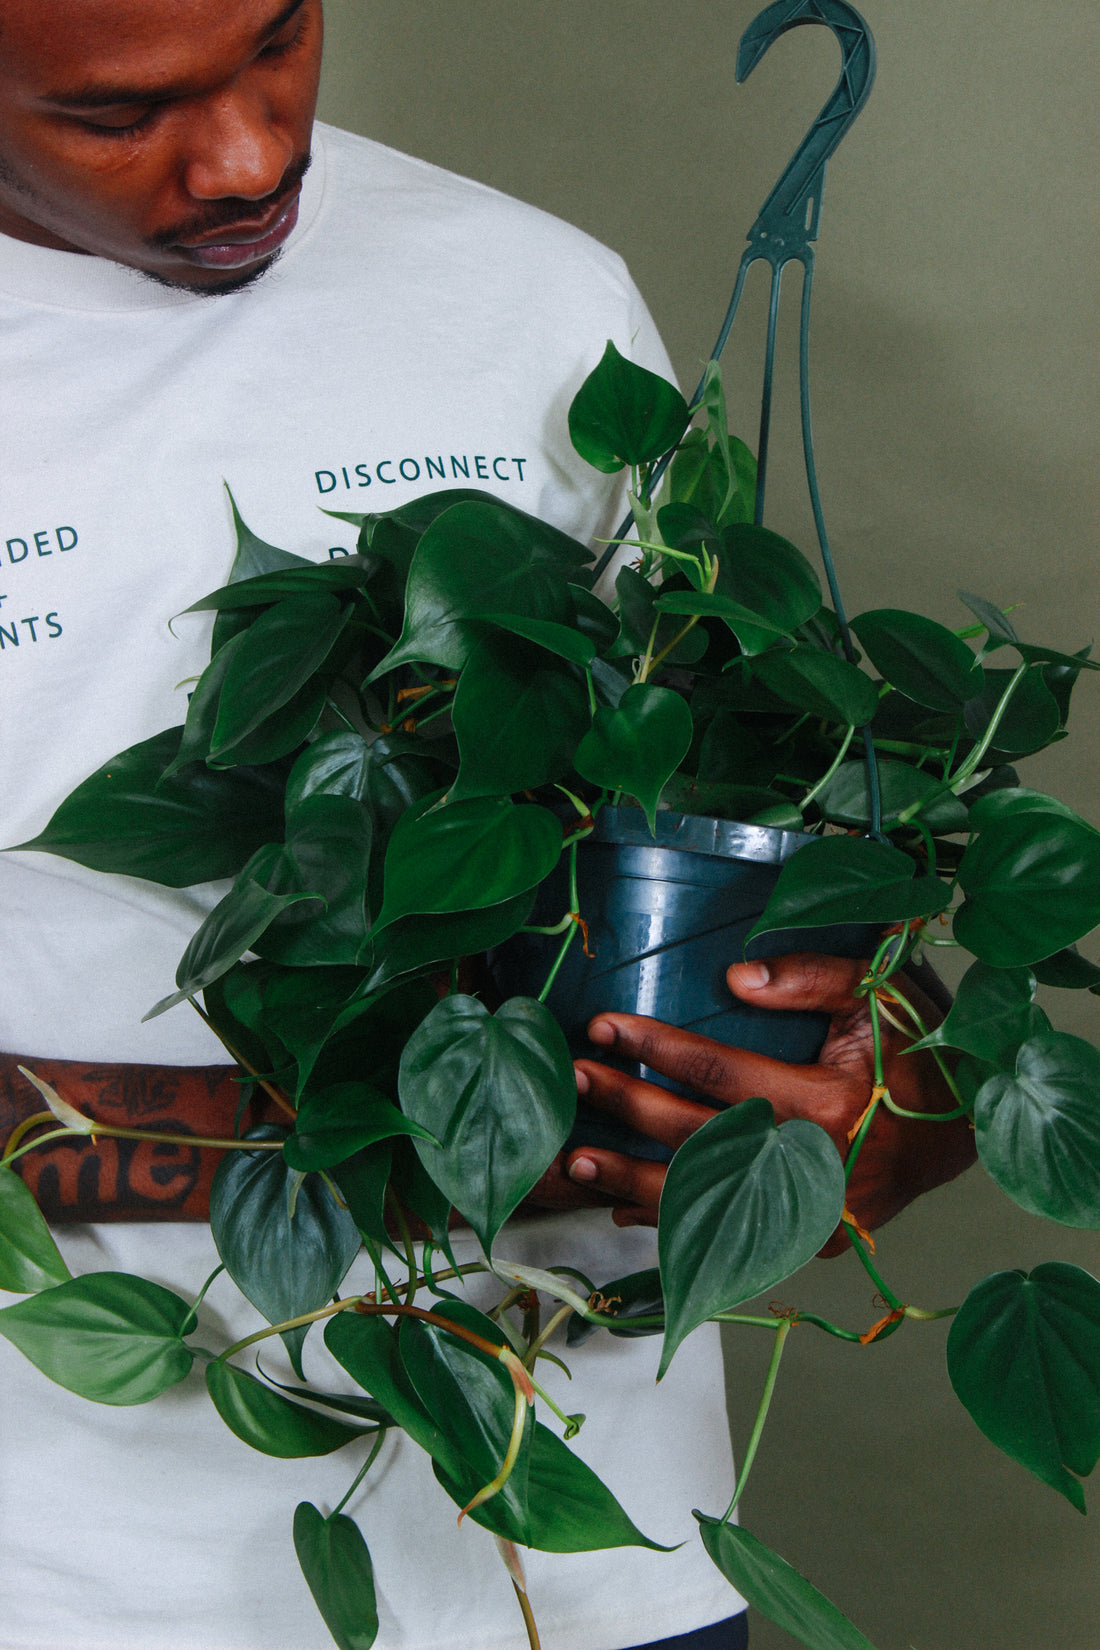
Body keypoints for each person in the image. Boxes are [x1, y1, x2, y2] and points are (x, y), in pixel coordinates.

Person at [0, 2, 974, 1646]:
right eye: (118, 114)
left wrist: (877, 1077)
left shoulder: (533, 295)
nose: (249, 155)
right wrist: (356, 1150)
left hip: (611, 1563)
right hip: (104, 1588)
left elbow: (722, 812)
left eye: (280, 38)